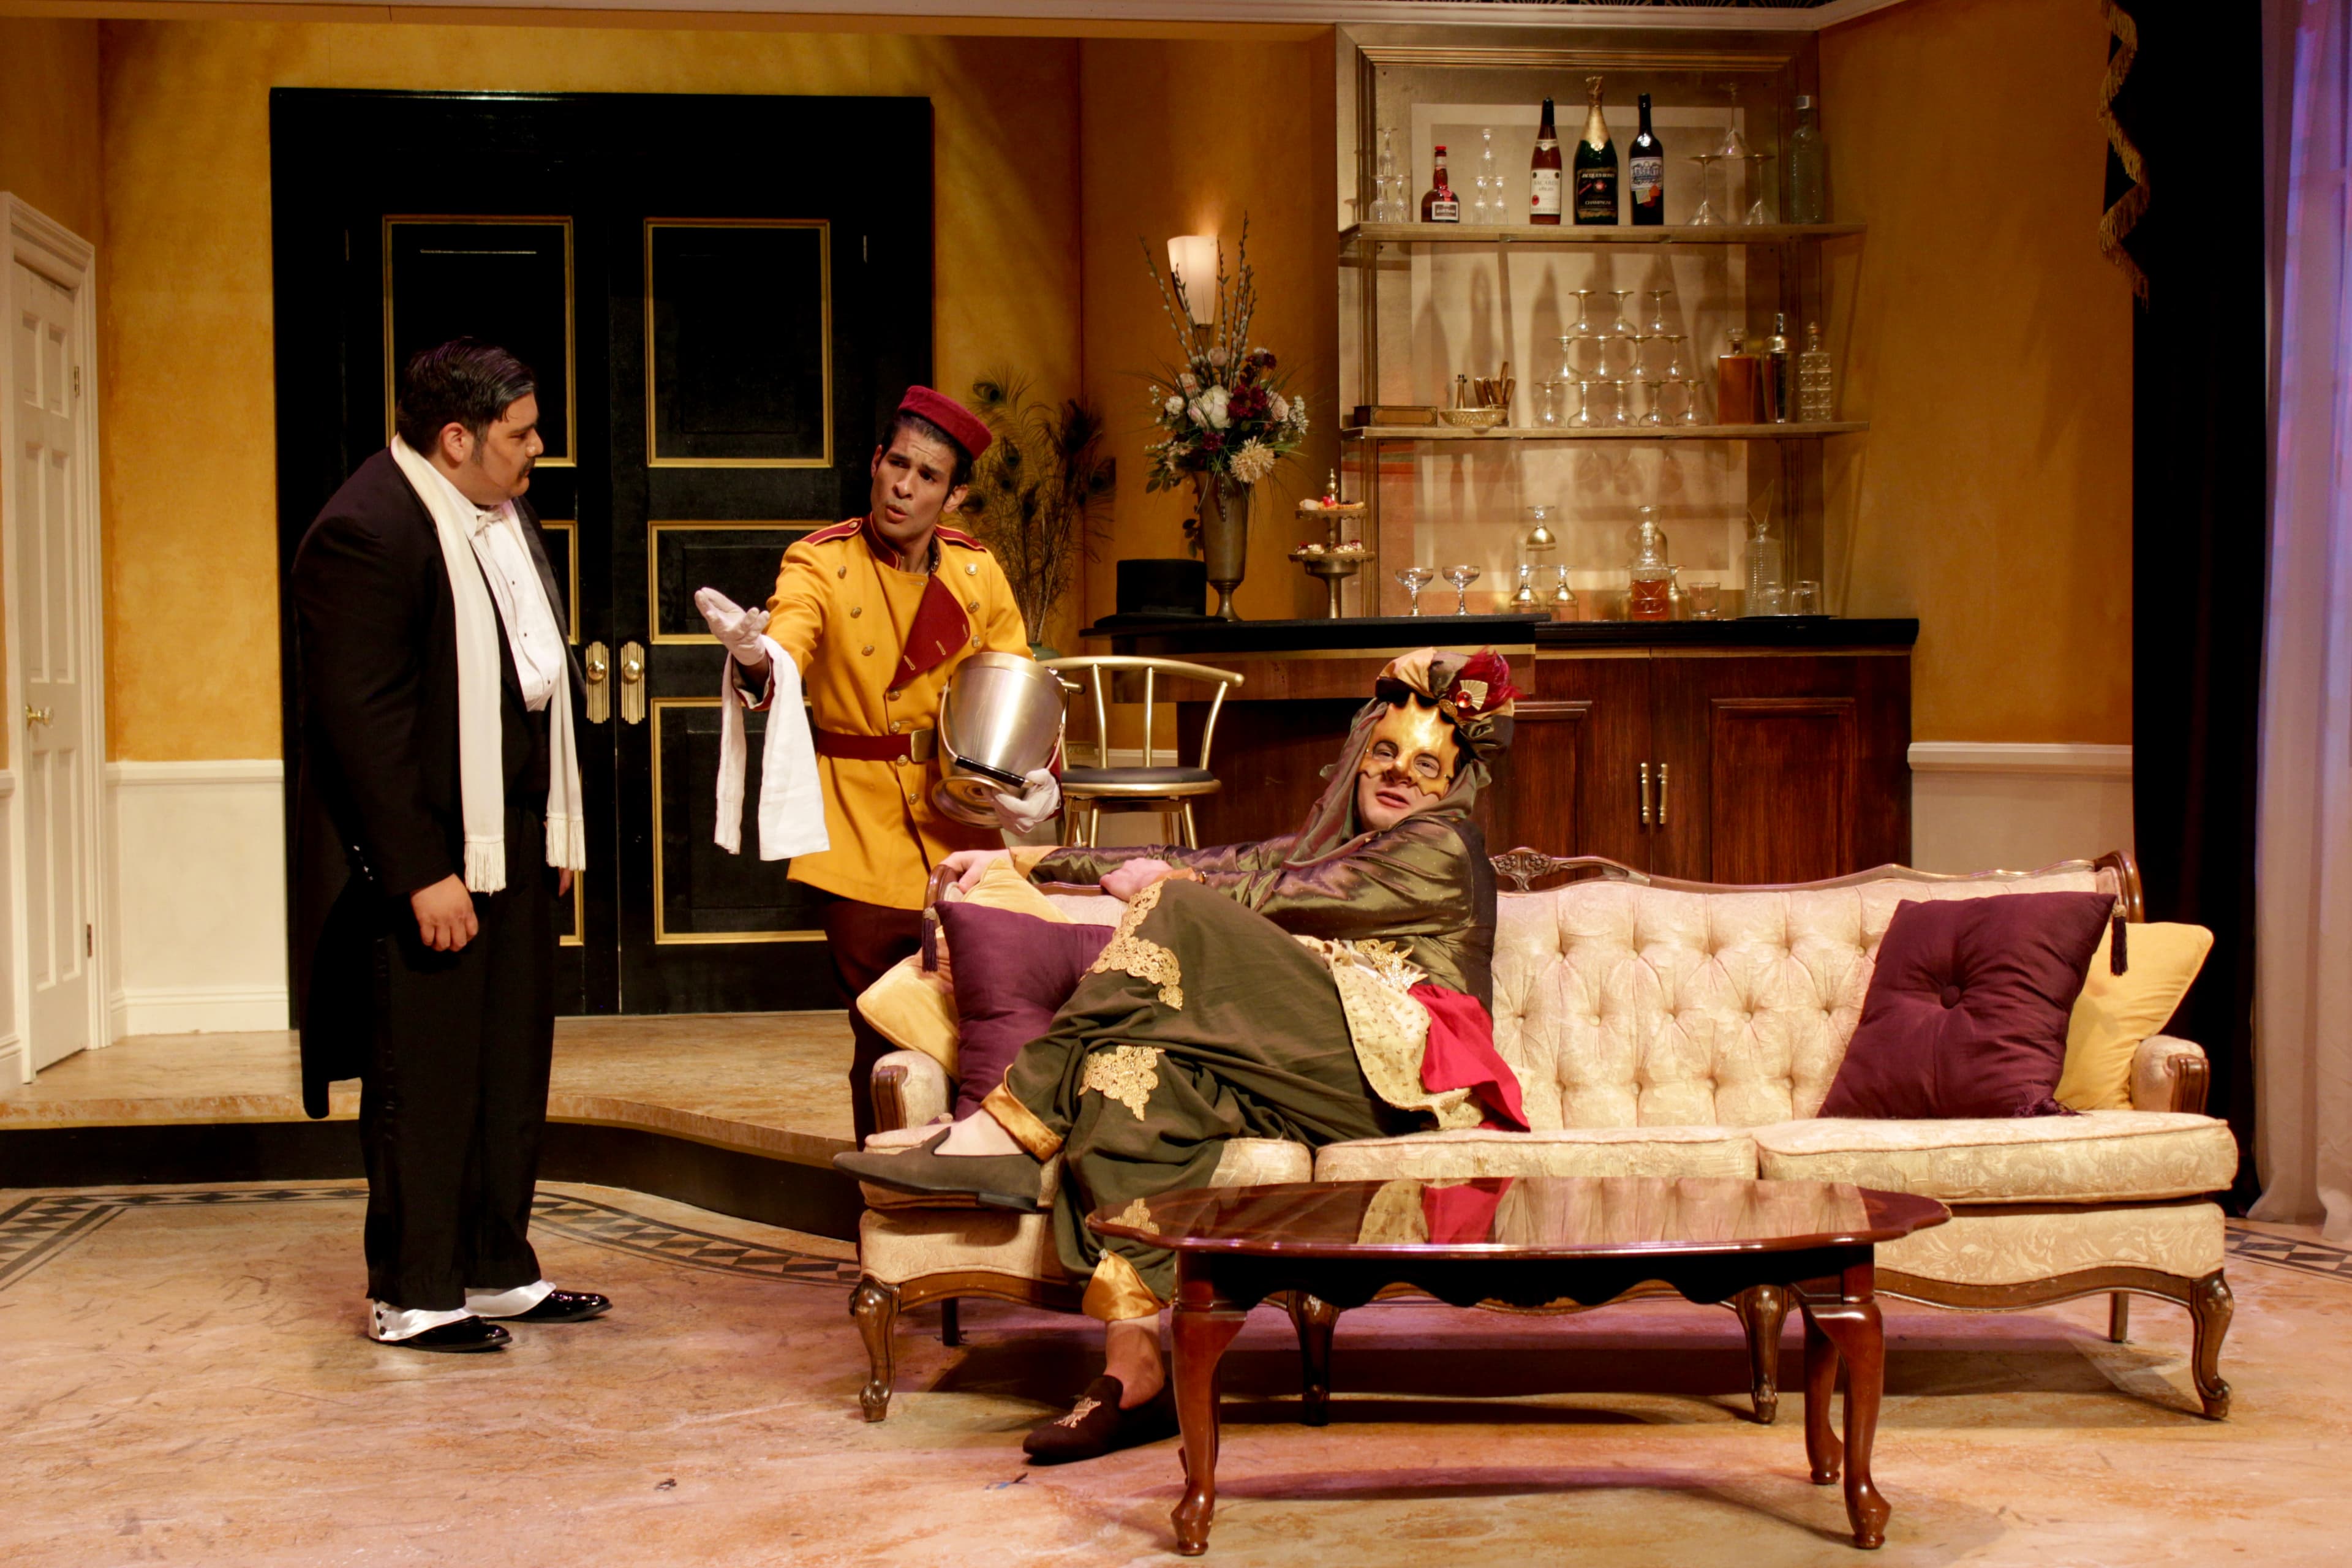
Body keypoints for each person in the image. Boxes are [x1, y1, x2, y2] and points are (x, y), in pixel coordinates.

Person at [838, 648, 1529, 1460]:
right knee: (1128, 1076)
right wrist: (1025, 860)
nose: (1399, 774)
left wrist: (1163, 892)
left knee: (1179, 907)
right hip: (1315, 1071)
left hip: (1408, 1080)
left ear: (1454, 785)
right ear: (1357, 756)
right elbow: (1217, 861)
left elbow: (1262, 894)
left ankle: (1012, 1123)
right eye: (1384, 752)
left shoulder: (1442, 845)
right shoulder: (1330, 845)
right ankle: (1135, 1369)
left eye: (1426, 765)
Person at [292, 338, 607, 1353]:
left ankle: (494, 1264)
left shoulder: (502, 513)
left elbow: (533, 679)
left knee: (508, 1069)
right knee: (423, 1079)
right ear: (457, 437)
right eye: (522, 433)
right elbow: (361, 726)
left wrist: (554, 822)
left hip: (511, 836)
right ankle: (415, 1289)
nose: (539, 448)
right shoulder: (368, 529)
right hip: (430, 854)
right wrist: (422, 871)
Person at [695, 388, 1058, 1142]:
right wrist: (757, 658)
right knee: (886, 1029)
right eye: (896, 464)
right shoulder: (821, 561)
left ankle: (974, 1171)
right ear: (874, 463)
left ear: (954, 496)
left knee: (987, 1014)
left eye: (928, 476)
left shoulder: (976, 571)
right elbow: (787, 648)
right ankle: (886, 1184)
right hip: (858, 829)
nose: (903, 486)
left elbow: (1018, 686)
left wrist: (1037, 778)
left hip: (962, 820)